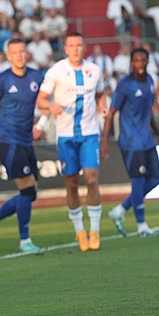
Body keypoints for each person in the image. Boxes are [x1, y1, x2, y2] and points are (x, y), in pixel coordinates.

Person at [0, 38, 45, 254]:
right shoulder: (2, 80)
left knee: (30, 193)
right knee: (27, 189)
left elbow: (46, 101)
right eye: (15, 52)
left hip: (26, 141)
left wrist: (42, 124)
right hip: (8, 141)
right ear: (9, 56)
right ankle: (24, 241)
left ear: (26, 53)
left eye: (22, 51)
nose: (20, 55)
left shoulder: (36, 76)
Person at [36, 32, 106, 251]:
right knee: (72, 182)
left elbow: (100, 94)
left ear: (84, 47)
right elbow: (40, 99)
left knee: (92, 180)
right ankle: (79, 231)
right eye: (72, 46)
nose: (76, 49)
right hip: (65, 135)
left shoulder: (94, 70)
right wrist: (50, 106)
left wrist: (101, 106)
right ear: (66, 49)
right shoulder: (56, 71)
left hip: (89, 134)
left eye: (79, 45)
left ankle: (94, 229)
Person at [101, 48, 159, 238]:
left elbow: (149, 111)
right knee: (138, 182)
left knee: (155, 179)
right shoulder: (124, 84)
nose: (140, 63)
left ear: (147, 62)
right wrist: (104, 140)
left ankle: (120, 210)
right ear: (131, 63)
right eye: (136, 60)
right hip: (130, 142)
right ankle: (141, 226)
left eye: (143, 60)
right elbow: (111, 112)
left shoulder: (150, 82)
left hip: (147, 140)